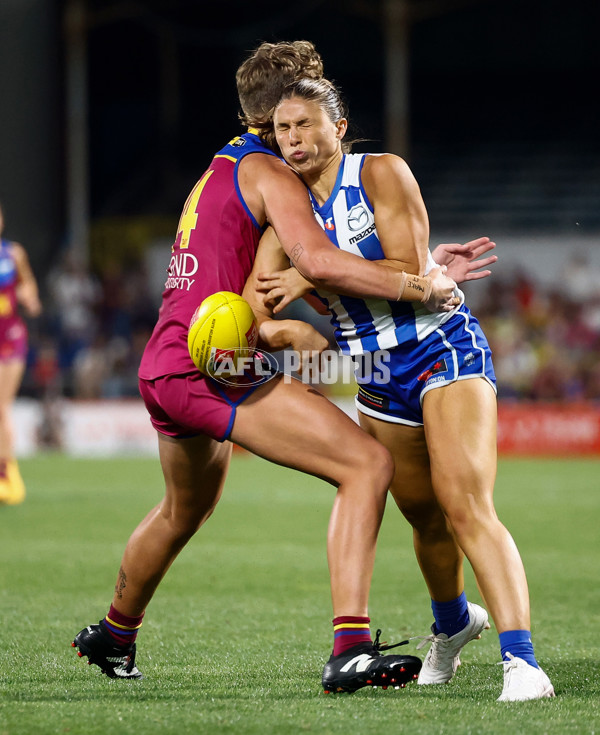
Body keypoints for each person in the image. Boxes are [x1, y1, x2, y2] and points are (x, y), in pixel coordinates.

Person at [72, 40, 464, 693]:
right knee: (367, 464)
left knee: (184, 507)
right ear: (286, 104)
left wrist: (411, 258)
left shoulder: (223, 163)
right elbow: (316, 260)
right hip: (213, 368)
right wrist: (420, 284)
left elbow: (306, 261)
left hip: (166, 361)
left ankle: (114, 632)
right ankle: (349, 647)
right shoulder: (272, 173)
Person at [247, 76, 555, 702]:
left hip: (440, 347)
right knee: (422, 516)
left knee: (465, 503)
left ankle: (522, 664)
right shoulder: (285, 211)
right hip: (374, 371)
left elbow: (411, 273)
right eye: (282, 129)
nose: (293, 138)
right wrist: (281, 329)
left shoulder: (382, 173)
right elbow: (259, 296)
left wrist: (312, 277)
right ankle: (452, 625)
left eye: (306, 124)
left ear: (339, 126)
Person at [0, 202, 42, 506]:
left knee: (1, 406)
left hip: (10, 339)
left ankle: (7, 473)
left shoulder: (13, 254)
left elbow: (29, 286)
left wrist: (30, 297)